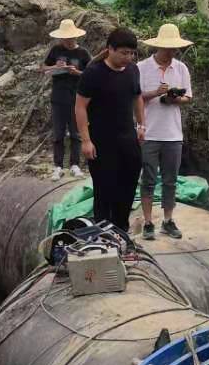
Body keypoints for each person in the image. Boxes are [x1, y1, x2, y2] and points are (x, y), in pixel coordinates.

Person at [75, 28, 144, 233]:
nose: (128, 57)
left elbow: (137, 97)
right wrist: (86, 140)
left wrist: (141, 125)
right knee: (105, 188)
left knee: (128, 184)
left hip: (128, 138)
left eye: (131, 53)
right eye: (123, 53)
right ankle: (102, 232)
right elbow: (80, 106)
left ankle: (121, 230)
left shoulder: (133, 70)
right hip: (102, 141)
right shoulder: (94, 73)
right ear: (110, 49)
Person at [136, 22, 194, 241]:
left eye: (174, 48)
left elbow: (188, 97)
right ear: (158, 46)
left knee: (171, 180)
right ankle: (148, 221)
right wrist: (155, 93)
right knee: (148, 180)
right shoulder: (142, 67)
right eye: (167, 47)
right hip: (149, 132)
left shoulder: (181, 68)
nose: (171, 51)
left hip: (173, 134)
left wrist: (174, 99)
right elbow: (135, 97)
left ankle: (168, 220)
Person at [41, 20, 89, 180]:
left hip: (77, 99)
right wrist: (56, 67)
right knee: (58, 134)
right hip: (58, 97)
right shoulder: (56, 50)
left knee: (76, 133)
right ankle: (58, 166)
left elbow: (91, 75)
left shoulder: (83, 53)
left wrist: (77, 73)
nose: (67, 41)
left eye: (70, 38)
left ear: (75, 37)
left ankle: (75, 165)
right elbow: (43, 68)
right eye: (64, 38)